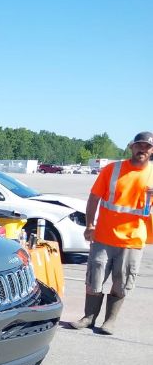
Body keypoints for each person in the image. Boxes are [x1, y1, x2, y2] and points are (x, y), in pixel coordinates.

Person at [70, 131, 153, 334]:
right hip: (103, 237)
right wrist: (90, 225)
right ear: (132, 147)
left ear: (151, 151)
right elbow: (94, 197)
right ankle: (88, 317)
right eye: (139, 145)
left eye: (147, 147)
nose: (142, 149)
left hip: (133, 240)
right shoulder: (112, 169)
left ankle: (110, 321)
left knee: (122, 281)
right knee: (94, 279)